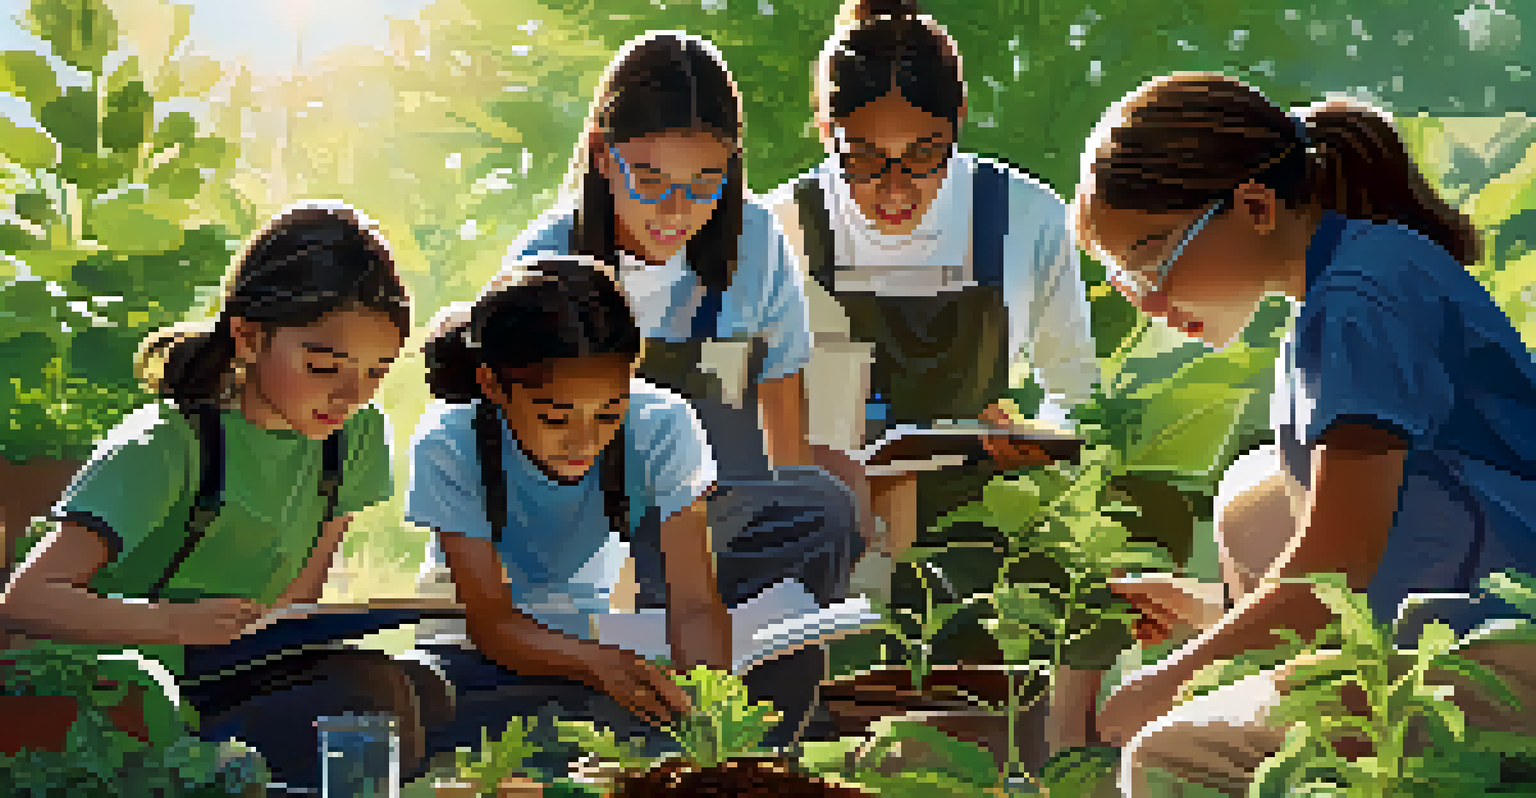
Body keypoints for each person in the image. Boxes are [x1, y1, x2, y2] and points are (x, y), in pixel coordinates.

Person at [1071, 73, 1536, 796]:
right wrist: (1217, 613)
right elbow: (1408, 525)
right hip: (1461, 612)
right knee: (1254, 492)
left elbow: (1338, 558)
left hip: (1499, 646)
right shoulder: (1357, 272)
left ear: (1255, 207)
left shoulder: (1356, 305)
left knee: (1171, 755)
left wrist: (1169, 680)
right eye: (1126, 279)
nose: (1152, 301)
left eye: (1152, 257)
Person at [487, 31, 865, 748]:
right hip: (582, 524)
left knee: (822, 504)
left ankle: (764, 742)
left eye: (704, 183)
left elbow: (781, 437)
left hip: (713, 516)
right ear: (602, 154)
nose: (676, 209)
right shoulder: (544, 260)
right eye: (650, 179)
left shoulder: (754, 244)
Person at [0, 203, 450, 790]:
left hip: (227, 665)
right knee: (364, 700)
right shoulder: (166, 444)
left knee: (426, 689)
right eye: (323, 366)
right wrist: (178, 623)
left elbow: (299, 598)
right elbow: (25, 604)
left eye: (375, 372)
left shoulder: (353, 435)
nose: (350, 394)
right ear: (247, 336)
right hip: (123, 678)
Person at [764, 0, 1100, 565]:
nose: (895, 190)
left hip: (991, 528)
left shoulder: (1027, 216)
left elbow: (1075, 391)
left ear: (960, 121)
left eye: (924, 156)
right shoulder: (781, 228)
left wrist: (1038, 435)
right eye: (865, 159)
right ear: (826, 132)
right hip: (822, 534)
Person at [405, 257, 722, 774]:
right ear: (491, 383)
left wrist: (704, 709)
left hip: (596, 647)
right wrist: (598, 666)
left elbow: (695, 605)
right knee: (425, 707)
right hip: (470, 657)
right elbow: (492, 624)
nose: (585, 440)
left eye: (609, 413)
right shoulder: (449, 442)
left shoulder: (664, 426)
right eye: (555, 417)